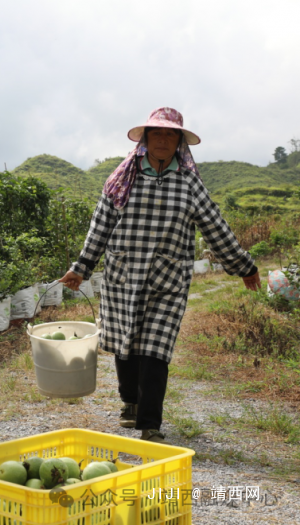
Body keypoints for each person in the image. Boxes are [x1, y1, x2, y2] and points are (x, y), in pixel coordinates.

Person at [59, 107, 261, 444]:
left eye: (170, 134)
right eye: (157, 133)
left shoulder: (188, 183)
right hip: (123, 274)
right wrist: (82, 267)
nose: (163, 139)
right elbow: (101, 226)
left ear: (180, 142)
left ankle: (149, 422)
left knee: (156, 350)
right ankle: (130, 402)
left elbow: (215, 227)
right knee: (125, 344)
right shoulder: (122, 178)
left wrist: (244, 265)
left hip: (169, 280)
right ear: (146, 139)